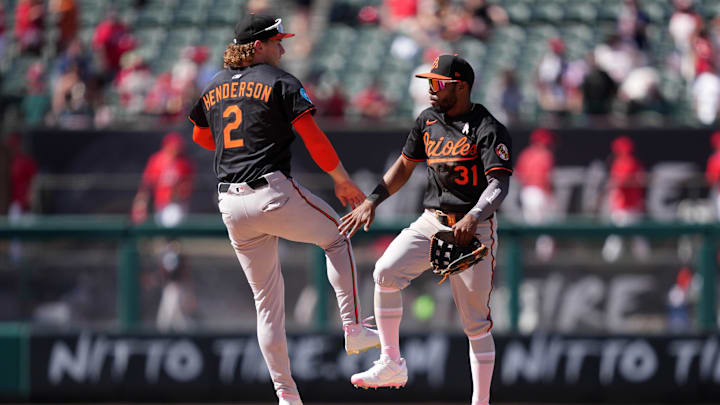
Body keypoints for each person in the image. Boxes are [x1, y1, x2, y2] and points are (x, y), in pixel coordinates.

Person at [186, 14, 380, 405]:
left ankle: (285, 394)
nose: (283, 47)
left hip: (231, 205)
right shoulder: (279, 81)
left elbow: (200, 135)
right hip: (270, 192)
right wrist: (342, 179)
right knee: (338, 236)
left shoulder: (216, 84)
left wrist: (236, 147)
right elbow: (314, 137)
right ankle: (354, 327)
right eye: (277, 41)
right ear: (258, 46)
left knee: (267, 304)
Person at [339, 54, 512, 405]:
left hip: (473, 229)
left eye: (439, 83)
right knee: (385, 271)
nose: (431, 89)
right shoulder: (427, 120)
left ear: (461, 86)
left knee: (476, 323)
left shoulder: (487, 127)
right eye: (429, 82)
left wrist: (475, 216)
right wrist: (373, 199)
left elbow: (498, 185)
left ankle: (481, 401)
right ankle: (391, 362)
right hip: (432, 220)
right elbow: (405, 166)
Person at [131, 131, 194, 227]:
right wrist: (141, 202)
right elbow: (147, 183)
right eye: (172, 145)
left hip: (176, 203)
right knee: (161, 228)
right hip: (159, 202)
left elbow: (189, 185)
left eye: (177, 146)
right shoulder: (156, 160)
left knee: (172, 226)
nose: (175, 148)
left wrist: (179, 193)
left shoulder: (183, 163)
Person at [515, 128, 555, 261]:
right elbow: (547, 178)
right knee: (543, 226)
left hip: (527, 192)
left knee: (530, 225)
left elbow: (519, 175)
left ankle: (526, 255)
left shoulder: (526, 154)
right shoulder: (545, 155)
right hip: (540, 192)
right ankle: (543, 258)